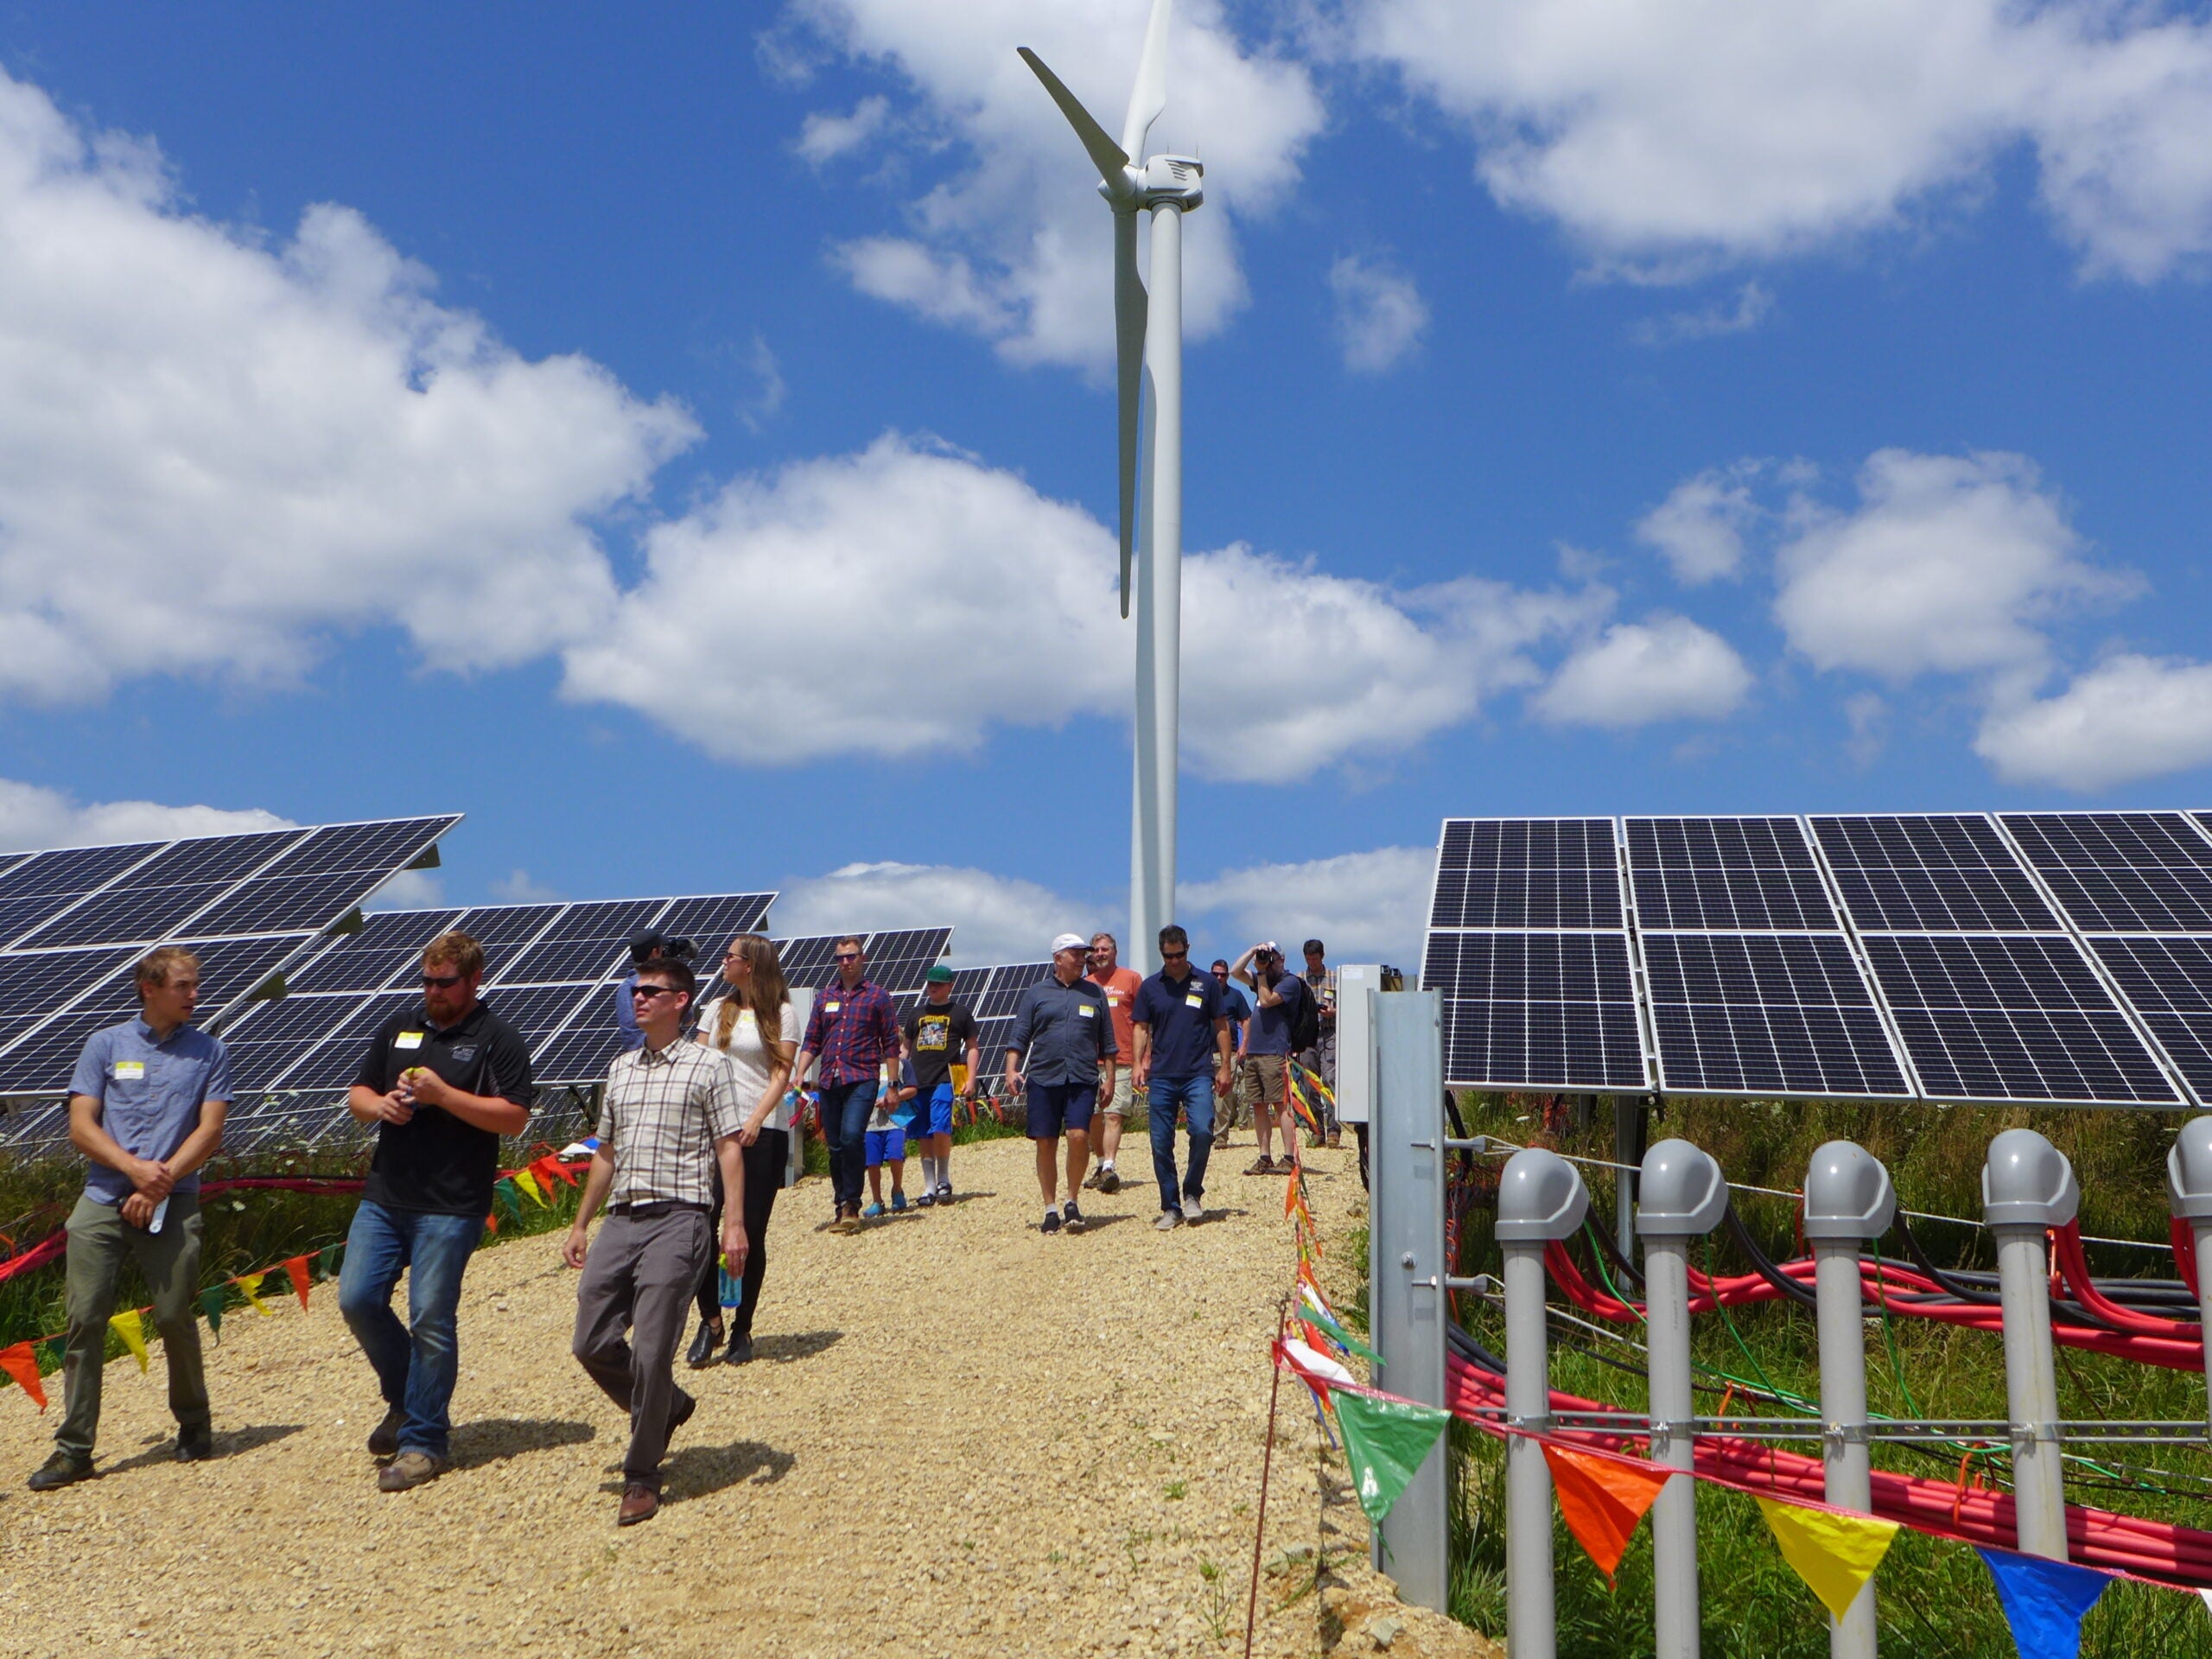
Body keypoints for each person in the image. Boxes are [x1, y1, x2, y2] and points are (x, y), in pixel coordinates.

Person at [29, 948, 232, 1491]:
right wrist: (134, 1171)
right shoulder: (105, 1045)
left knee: (171, 1314)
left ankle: (193, 1422)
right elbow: (81, 1125)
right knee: (86, 1318)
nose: (196, 995)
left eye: (196, 985)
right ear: (150, 987)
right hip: (103, 1195)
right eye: (184, 986)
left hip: (173, 1195)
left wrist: (159, 1181)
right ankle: (74, 1450)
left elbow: (209, 1131)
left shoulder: (210, 1051)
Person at [340, 931, 535, 1492]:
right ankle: (407, 1399)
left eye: (445, 982)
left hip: (451, 1205)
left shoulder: (497, 1038)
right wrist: (381, 1106)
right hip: (386, 1196)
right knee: (357, 1299)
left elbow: (514, 1117)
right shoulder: (401, 1028)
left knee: (430, 1315)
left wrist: (443, 1095)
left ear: (474, 980)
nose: (433, 991)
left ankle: (424, 1440)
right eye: (426, 980)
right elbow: (356, 1094)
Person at [565, 955, 747, 1526]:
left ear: (679, 1001)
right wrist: (580, 1222)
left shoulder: (708, 1068)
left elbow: (729, 1148)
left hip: (680, 1220)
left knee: (650, 1352)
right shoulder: (619, 1069)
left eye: (651, 991)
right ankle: (667, 1405)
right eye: (636, 991)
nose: (637, 998)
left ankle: (642, 1474)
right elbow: (606, 1153)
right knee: (590, 1342)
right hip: (621, 1219)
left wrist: (733, 1223)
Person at [685, 933, 798, 1367]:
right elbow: (696, 1059)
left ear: (750, 965)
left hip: (761, 1132)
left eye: (730, 956)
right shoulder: (717, 1009)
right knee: (700, 1228)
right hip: (713, 1133)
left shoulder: (782, 1015)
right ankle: (710, 1319)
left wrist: (753, 1120)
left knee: (749, 1231)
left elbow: (780, 1074)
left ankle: (742, 1327)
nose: (723, 961)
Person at [1006, 933, 1116, 1234]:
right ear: (1058, 958)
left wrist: (1109, 1078)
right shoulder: (1036, 994)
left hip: (1082, 1077)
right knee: (1046, 1142)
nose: (1083, 959)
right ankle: (1050, 1208)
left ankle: (1072, 1200)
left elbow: (1107, 1041)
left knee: (1079, 1135)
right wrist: (1011, 1070)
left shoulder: (1094, 994)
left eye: (1084, 954)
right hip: (1044, 1077)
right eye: (1076, 954)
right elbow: (1019, 1036)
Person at [789, 936, 899, 1235]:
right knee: (835, 1145)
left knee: (852, 1136)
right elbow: (812, 1039)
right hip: (829, 1080)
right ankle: (841, 1204)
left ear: (862, 958)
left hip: (862, 1078)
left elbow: (890, 1042)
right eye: (840, 958)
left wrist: (893, 1085)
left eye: (851, 956)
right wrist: (800, 1073)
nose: (846, 962)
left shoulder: (878, 997)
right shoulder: (825, 998)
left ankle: (853, 1203)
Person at [1130, 925, 1234, 1230]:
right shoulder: (1150, 987)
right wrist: (1137, 1063)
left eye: (1180, 954)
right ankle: (1170, 1205)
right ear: (1161, 953)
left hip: (1198, 1072)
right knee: (1161, 1142)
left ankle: (1192, 1192)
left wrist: (1225, 1066)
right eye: (1168, 956)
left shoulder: (1206, 984)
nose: (1174, 960)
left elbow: (1222, 1026)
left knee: (1202, 1131)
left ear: (1188, 949)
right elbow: (1140, 1027)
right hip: (1162, 1074)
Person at [900, 963, 976, 1205]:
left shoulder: (960, 1013)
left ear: (949, 986)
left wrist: (971, 1078)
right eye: (930, 983)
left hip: (946, 1077)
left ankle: (944, 1178)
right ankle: (929, 1185)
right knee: (923, 1132)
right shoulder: (916, 1014)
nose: (933, 987)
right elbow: (905, 1047)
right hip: (917, 1080)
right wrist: (894, 1075)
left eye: (938, 984)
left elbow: (973, 1047)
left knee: (941, 1125)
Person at [1231, 942, 1308, 1176]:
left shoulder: (1289, 983)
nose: (1268, 961)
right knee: (1258, 1105)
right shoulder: (1262, 979)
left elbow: (1266, 1001)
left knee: (1280, 1105)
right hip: (1255, 1052)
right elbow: (1235, 972)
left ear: (1282, 960)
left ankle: (1288, 1157)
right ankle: (1264, 1156)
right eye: (1266, 957)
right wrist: (1252, 951)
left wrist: (1262, 973)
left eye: (1272, 958)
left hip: (1275, 1052)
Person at [1082, 931, 1144, 1194]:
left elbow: (1143, 1022)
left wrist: (1143, 1060)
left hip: (1121, 1058)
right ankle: (1099, 1164)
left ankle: (1109, 1165)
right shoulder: (1084, 984)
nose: (1100, 954)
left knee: (1114, 1113)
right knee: (1092, 1116)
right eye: (1096, 950)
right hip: (1087, 1060)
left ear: (1115, 952)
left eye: (1105, 949)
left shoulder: (1131, 979)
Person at [1300, 938, 1341, 1149]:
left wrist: (1334, 1012)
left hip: (1329, 1033)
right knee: (1309, 1083)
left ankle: (1334, 1129)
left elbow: (1349, 1005)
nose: (1311, 962)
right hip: (1306, 1037)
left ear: (1322, 957)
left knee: (1331, 1079)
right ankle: (1316, 1130)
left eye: (1314, 958)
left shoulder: (1335, 978)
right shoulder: (1299, 979)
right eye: (1308, 959)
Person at [1209, 957, 1253, 1149]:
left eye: (1222, 974)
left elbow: (1246, 1019)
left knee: (1224, 1095)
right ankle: (1204, 1131)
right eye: (1215, 974)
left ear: (1227, 976)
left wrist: (1245, 1044)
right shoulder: (1204, 994)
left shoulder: (1236, 996)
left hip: (1229, 1053)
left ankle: (1221, 1135)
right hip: (1203, 1052)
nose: (1219, 977)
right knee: (1201, 1094)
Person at [863, 1058, 912, 1217]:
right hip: (871, 1123)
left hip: (896, 1121)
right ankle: (877, 1201)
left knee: (895, 1154)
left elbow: (912, 1089)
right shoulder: (866, 1063)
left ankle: (897, 1190)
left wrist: (892, 1097)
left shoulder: (903, 1065)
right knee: (872, 1162)